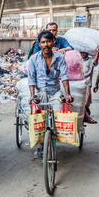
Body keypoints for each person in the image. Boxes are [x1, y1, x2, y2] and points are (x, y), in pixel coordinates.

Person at [27, 30, 74, 158]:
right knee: (39, 118)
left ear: (53, 42)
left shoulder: (59, 57)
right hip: (40, 91)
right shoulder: (33, 59)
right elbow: (31, 79)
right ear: (39, 44)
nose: (46, 44)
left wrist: (68, 94)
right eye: (43, 42)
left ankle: (54, 137)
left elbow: (64, 76)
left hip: (55, 91)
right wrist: (32, 96)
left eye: (48, 41)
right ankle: (41, 145)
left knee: (59, 115)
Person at [80, 46, 99, 124]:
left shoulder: (90, 60)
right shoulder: (77, 60)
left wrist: (98, 52)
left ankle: (85, 113)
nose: (82, 54)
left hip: (87, 83)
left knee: (86, 101)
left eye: (84, 52)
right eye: (81, 52)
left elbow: (95, 63)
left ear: (87, 53)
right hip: (78, 83)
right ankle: (84, 115)